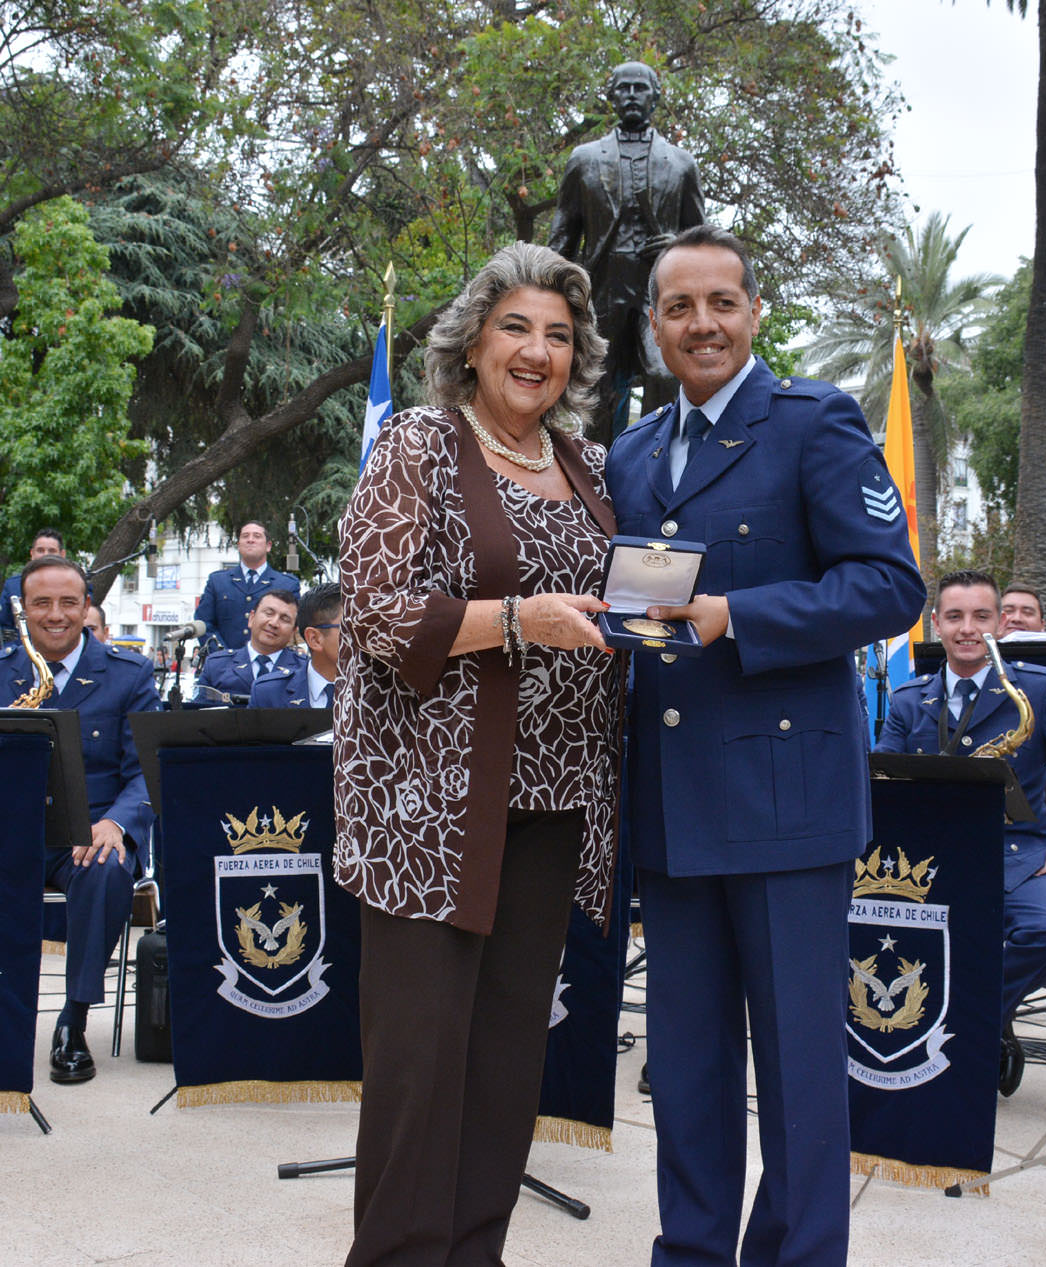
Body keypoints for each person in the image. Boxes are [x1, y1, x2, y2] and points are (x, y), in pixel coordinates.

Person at [605, 225, 924, 1267]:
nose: (701, 324)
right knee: (687, 1071)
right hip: (671, 801)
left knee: (796, 1075)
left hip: (786, 806)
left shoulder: (813, 422)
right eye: (678, 307)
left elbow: (887, 585)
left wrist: (736, 612)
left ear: (753, 313)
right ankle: (690, 1253)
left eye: (720, 304)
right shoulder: (634, 450)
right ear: (653, 325)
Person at [335, 241, 625, 1267]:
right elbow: (370, 612)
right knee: (421, 1070)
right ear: (470, 344)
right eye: (516, 328)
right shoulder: (418, 443)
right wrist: (515, 620)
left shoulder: (590, 465)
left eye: (558, 334)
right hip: (426, 813)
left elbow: (613, 605)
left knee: (505, 1065)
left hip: (550, 807)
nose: (538, 350)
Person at [874, 570, 1046, 1096]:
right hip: (929, 857)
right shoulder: (910, 700)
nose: (967, 629)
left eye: (980, 616)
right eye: (954, 617)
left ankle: (972, 1020)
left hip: (1018, 855)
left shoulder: (1038, 689)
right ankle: (968, 1027)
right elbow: (883, 778)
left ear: (1000, 623)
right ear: (935, 625)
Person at [0, 555, 160, 1083]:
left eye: (68, 602)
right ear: (23, 611)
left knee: (107, 868)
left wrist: (115, 825)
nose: (56, 614)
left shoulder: (130, 674)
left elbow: (146, 772)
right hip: (11, 832)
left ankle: (72, 1022)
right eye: (42, 603)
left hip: (90, 833)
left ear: (87, 607)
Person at [548, 60, 706, 433]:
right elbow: (563, 237)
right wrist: (547, 296)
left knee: (664, 373)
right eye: (624, 88)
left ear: (655, 96)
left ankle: (654, 459)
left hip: (660, 292)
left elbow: (704, 247)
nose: (632, 95)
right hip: (602, 289)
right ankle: (597, 474)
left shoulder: (682, 165)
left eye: (640, 88)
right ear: (611, 96)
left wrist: (679, 244)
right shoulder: (583, 160)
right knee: (599, 388)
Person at [193, 521, 300, 651]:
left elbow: (292, 626)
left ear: (268, 546)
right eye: (245, 536)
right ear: (238, 545)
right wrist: (223, 657)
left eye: (257, 536)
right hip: (224, 665)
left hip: (269, 666)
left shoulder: (287, 584)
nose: (250, 540)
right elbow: (204, 623)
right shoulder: (218, 581)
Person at [197, 589, 303, 701]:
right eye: (269, 613)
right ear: (251, 618)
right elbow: (198, 714)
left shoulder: (303, 670)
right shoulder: (216, 665)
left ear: (293, 632)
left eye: (284, 619)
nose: (274, 623)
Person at [251, 584, 340, 710]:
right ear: (314, 639)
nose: (362, 637)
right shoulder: (269, 693)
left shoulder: (375, 692)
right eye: (349, 629)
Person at [0, 528, 71, 644]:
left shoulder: (74, 586)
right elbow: (0, 628)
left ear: (62, 554)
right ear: (32, 553)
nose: (45, 555)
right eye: (40, 550)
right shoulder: (13, 586)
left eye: (51, 551)